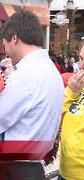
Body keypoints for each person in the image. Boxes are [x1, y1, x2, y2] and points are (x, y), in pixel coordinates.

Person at [0, 11, 64, 178]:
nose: (6, 52)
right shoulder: (51, 71)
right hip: (34, 167)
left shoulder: (26, 75)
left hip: (13, 168)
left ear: (14, 38)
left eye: (4, 44)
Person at [59, 45, 84, 180]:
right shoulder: (78, 87)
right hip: (65, 172)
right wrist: (70, 92)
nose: (81, 65)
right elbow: (57, 116)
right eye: (81, 58)